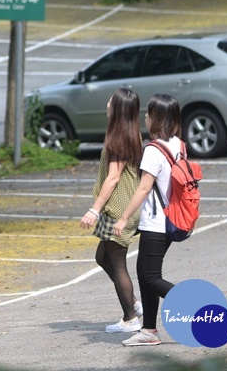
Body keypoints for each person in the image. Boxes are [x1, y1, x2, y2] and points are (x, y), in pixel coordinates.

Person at [112, 93, 183, 346]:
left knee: (150, 277)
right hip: (172, 219)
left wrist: (123, 218)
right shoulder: (178, 144)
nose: (145, 116)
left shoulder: (153, 150)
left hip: (156, 223)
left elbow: (143, 189)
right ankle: (149, 331)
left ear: (157, 118)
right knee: (147, 276)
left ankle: (189, 303)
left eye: (149, 113)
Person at [78, 87, 143, 334]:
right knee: (102, 258)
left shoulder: (119, 139)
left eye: (110, 101)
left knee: (117, 264)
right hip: (118, 207)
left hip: (117, 209)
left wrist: (94, 210)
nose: (106, 104)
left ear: (117, 109)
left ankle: (130, 318)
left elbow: (113, 177)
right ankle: (134, 305)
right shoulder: (129, 134)